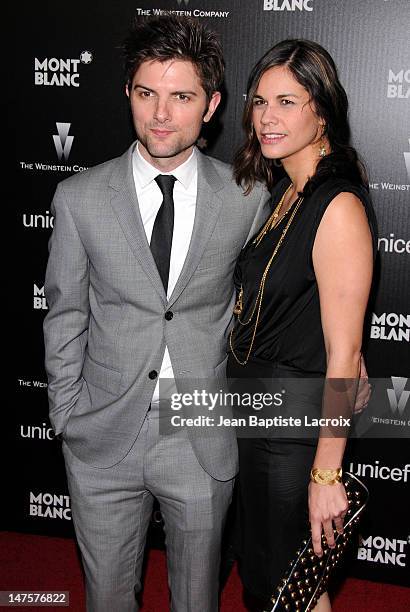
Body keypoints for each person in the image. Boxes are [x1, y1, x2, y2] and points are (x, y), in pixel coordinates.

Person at [43, 15, 270, 612]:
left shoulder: (247, 199)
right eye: (147, 93)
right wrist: (66, 413)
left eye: (181, 96)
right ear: (128, 95)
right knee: (107, 599)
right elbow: (65, 314)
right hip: (102, 435)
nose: (161, 114)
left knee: (198, 601)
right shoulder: (79, 197)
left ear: (213, 105)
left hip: (199, 436)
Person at [227, 39, 377, 611]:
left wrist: (325, 477)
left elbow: (343, 356)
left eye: (287, 101)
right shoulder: (289, 192)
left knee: (291, 591)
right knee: (274, 584)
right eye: (260, 101)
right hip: (259, 417)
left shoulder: (335, 205)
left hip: (291, 434)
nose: (268, 117)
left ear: (321, 109)